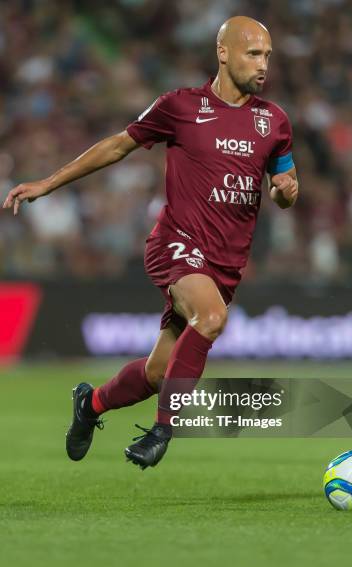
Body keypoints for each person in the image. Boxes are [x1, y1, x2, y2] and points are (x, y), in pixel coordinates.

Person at [2, 16, 298, 470]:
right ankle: (163, 429)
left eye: (268, 56)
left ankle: (91, 404)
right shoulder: (180, 106)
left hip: (224, 263)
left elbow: (283, 181)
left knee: (161, 371)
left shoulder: (273, 121)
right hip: (176, 244)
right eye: (253, 53)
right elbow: (118, 146)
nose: (263, 65)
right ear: (223, 53)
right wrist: (49, 183)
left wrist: (285, 191)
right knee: (212, 317)